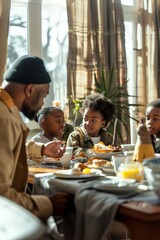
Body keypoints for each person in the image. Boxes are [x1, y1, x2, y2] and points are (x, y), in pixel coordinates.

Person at [0, 55, 73, 220]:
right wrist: (49, 204)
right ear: (30, 89)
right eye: (43, 96)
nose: (42, 104)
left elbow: (8, 150)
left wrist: (42, 149)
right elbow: (1, 196)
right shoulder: (4, 119)